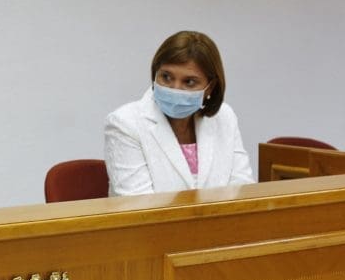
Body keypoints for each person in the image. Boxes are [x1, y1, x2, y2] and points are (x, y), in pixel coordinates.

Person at [103, 30, 254, 195]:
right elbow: (139, 203)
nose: (175, 89)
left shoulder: (224, 117)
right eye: (166, 77)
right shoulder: (125, 123)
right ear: (155, 74)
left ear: (210, 87)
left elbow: (242, 189)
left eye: (189, 82)